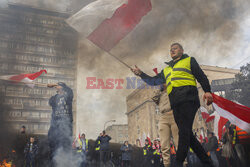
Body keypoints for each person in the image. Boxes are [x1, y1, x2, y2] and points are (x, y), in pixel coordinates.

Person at [131, 43, 214, 167]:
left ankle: (179, 163)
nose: (172, 51)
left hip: (188, 99)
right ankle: (208, 163)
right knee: (188, 135)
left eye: (175, 48)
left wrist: (207, 91)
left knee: (183, 132)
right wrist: (141, 74)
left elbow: (201, 76)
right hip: (176, 104)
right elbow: (154, 81)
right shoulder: (166, 70)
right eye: (170, 50)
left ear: (182, 50)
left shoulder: (189, 60)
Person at [47, 82, 73, 162]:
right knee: (52, 140)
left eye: (59, 86)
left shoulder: (68, 96)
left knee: (65, 142)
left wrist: (55, 84)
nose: (57, 87)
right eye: (57, 87)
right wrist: (57, 88)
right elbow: (50, 102)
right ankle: (53, 160)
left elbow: (70, 91)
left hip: (66, 123)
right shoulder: (54, 98)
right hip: (56, 123)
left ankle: (66, 161)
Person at [153, 88, 178, 167]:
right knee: (164, 145)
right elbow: (154, 98)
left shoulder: (173, 87)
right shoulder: (160, 92)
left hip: (174, 114)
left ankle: (184, 164)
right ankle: (166, 164)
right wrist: (160, 88)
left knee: (179, 143)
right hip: (163, 116)